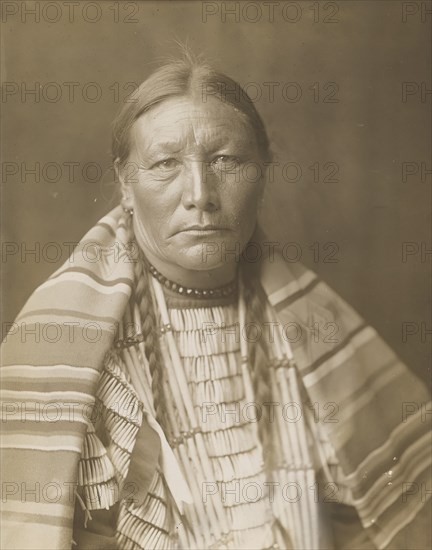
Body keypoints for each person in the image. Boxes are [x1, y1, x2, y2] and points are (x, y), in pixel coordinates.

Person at [1, 54, 431, 550]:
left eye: (227, 161)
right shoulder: (59, 344)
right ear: (125, 181)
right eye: (165, 164)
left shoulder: (314, 327)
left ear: (264, 169)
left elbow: (372, 521)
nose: (200, 195)